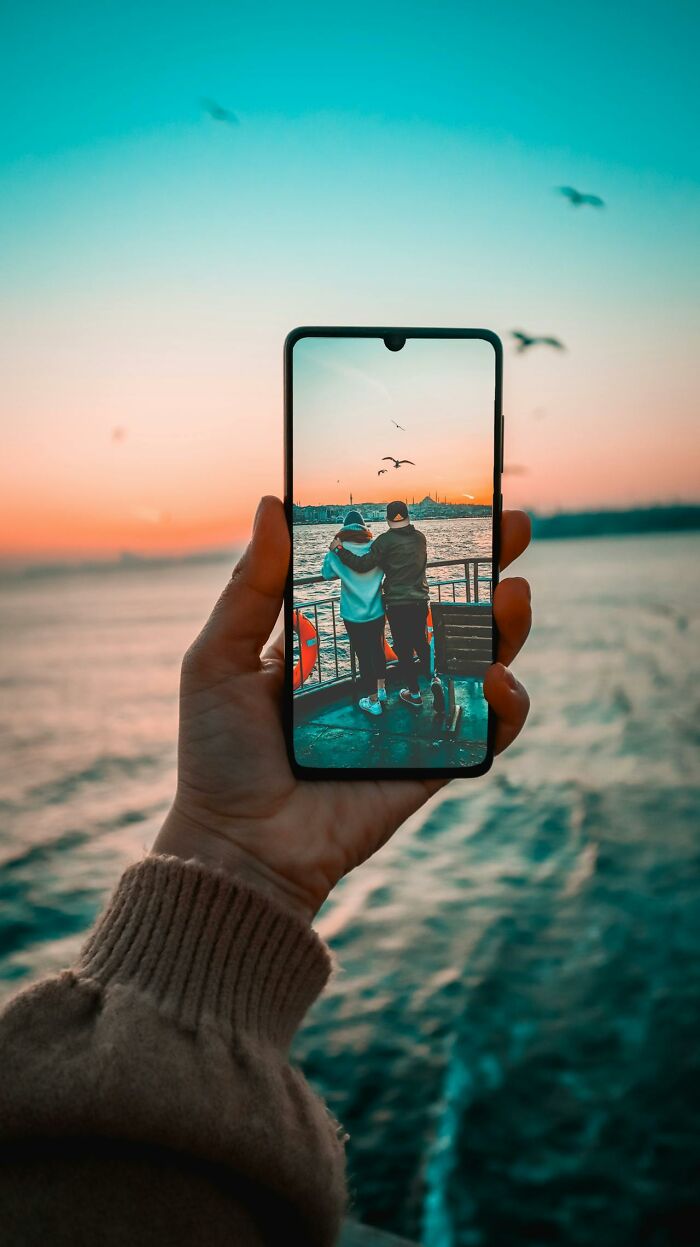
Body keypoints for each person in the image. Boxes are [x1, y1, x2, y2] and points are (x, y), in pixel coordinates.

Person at [0, 496, 532, 1246]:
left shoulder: (372, 550)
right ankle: (417, 691)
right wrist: (235, 849)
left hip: (368, 622)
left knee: (386, 653)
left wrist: (224, 846)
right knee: (422, 651)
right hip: (405, 614)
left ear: (383, 515)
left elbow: (362, 562)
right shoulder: (409, 547)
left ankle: (396, 692)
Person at [331, 500, 430, 708]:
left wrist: (339, 549)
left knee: (403, 649)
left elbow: (362, 564)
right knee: (420, 642)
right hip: (420, 600)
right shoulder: (421, 538)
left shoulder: (384, 542)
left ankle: (414, 693)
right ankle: (435, 678)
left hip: (397, 604)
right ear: (408, 517)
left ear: (387, 520)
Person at [322, 508, 386, 716]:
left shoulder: (337, 550)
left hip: (352, 613)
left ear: (343, 528)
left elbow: (326, 574)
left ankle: (373, 701)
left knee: (363, 655)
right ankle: (382, 690)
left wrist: (335, 551)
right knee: (377, 649)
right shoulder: (374, 548)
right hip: (376, 609)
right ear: (364, 527)